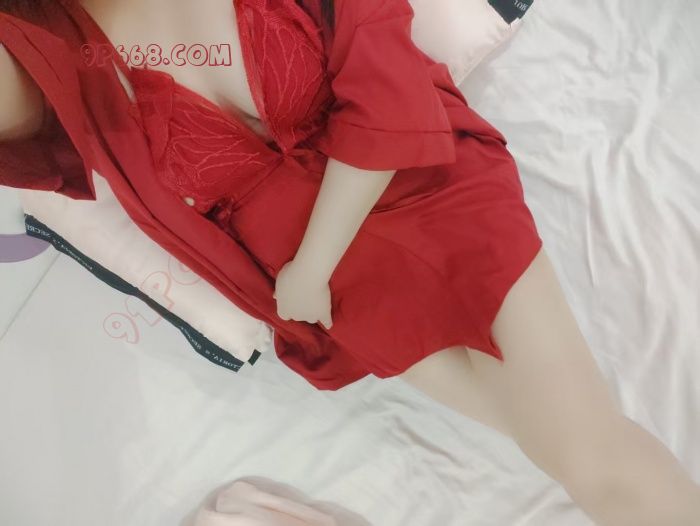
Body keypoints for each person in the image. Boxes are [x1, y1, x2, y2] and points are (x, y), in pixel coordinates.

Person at [1, 1, 699, 524]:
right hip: (338, 297)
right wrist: (307, 279)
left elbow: (387, 85)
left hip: (425, 194)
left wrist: (311, 266)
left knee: (592, 459)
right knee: (566, 444)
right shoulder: (67, 59)